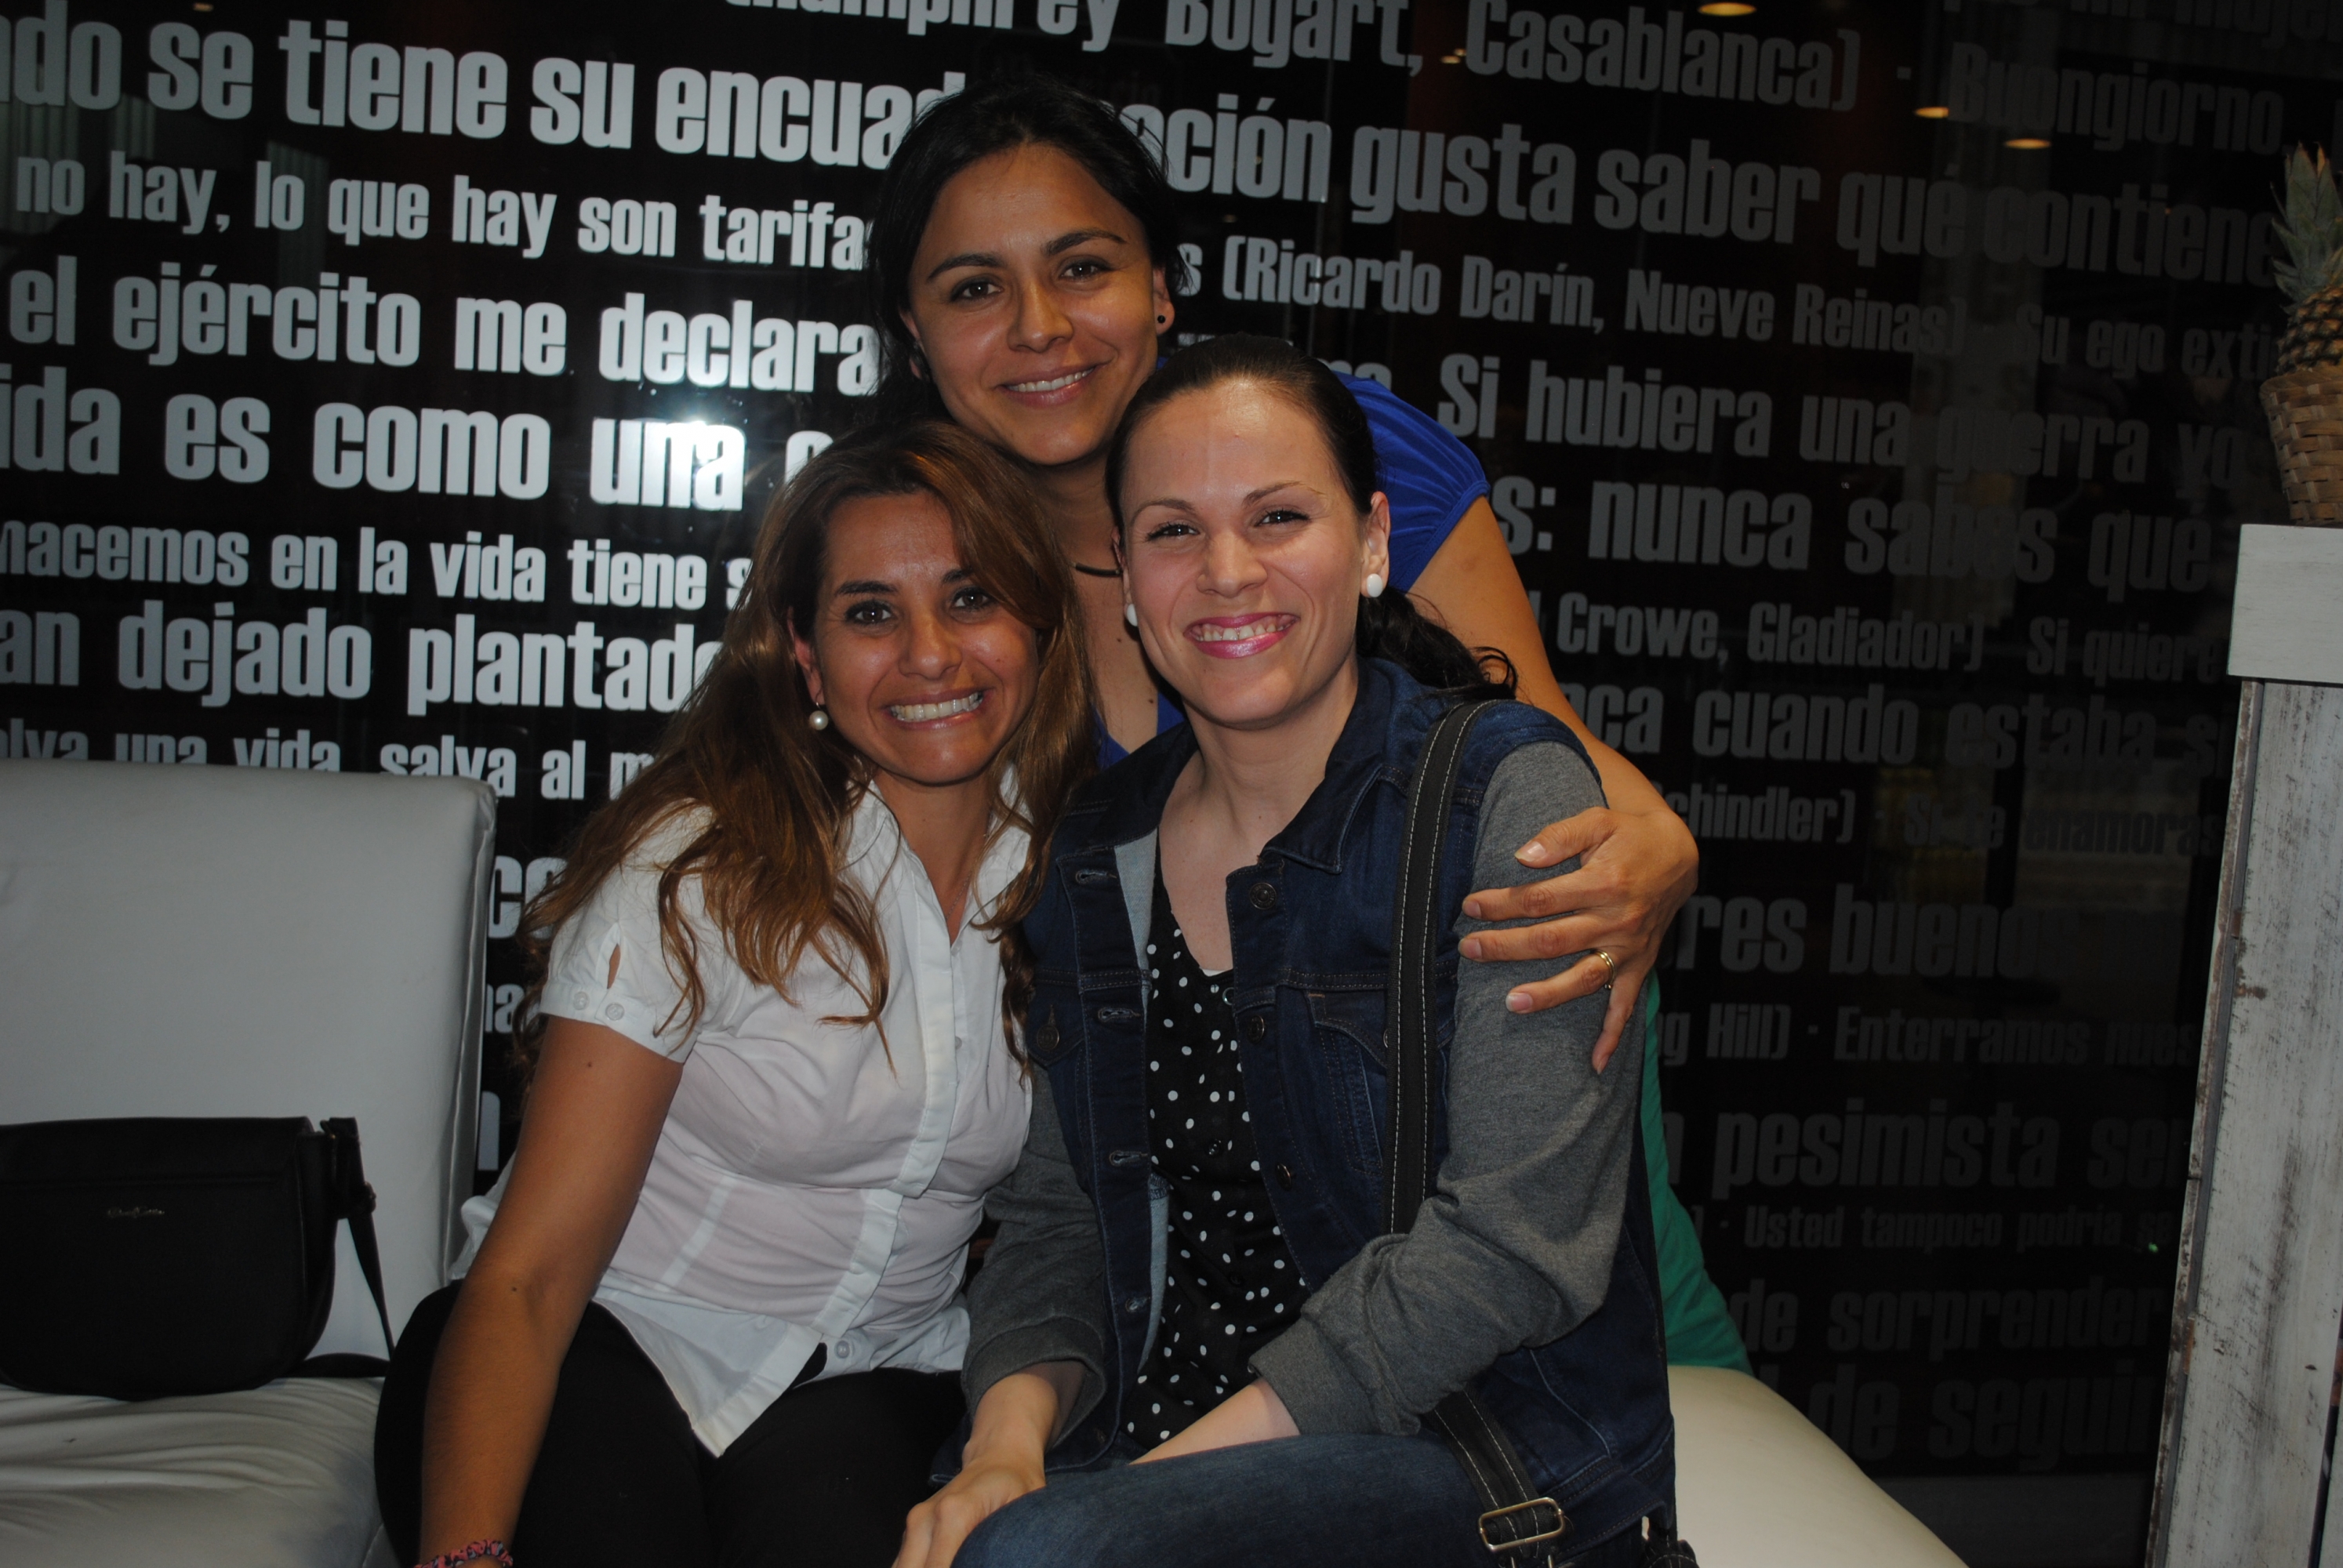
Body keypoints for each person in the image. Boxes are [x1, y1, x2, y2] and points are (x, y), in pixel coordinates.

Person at [865, 74, 1745, 1372]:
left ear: (1161, 286)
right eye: (975, 288)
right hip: (1204, 1219)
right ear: (915, 333)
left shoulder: (1335, 442)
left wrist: (1659, 842)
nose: (1040, 327)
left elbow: (1546, 751)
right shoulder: (941, 579)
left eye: (1083, 266)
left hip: (1475, 1032)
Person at [896, 336, 1674, 1568]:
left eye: (1277, 517)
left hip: (1472, 1452)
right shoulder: (1100, 840)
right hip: (1154, 1438)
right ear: (1126, 585)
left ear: (1371, 544)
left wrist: (1126, 1497)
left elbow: (1515, 1247)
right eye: (1171, 532)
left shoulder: (1499, 799)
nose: (1226, 573)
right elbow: (1060, 1215)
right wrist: (1006, 1443)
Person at [372, 423, 1096, 1568]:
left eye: (970, 598)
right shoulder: (697, 866)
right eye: (870, 613)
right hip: (598, 1344)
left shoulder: (1077, 881)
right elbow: (528, 1277)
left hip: (874, 1378)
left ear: (1038, 626)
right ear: (804, 658)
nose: (929, 654)